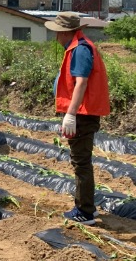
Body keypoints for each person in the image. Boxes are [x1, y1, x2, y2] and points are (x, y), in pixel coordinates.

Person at [45, 12, 110, 225]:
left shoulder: (81, 49)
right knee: (81, 161)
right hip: (81, 114)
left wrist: (71, 114)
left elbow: (81, 83)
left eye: (57, 32)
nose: (55, 36)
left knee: (81, 162)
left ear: (65, 32)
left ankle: (85, 211)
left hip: (82, 115)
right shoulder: (77, 46)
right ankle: (85, 206)